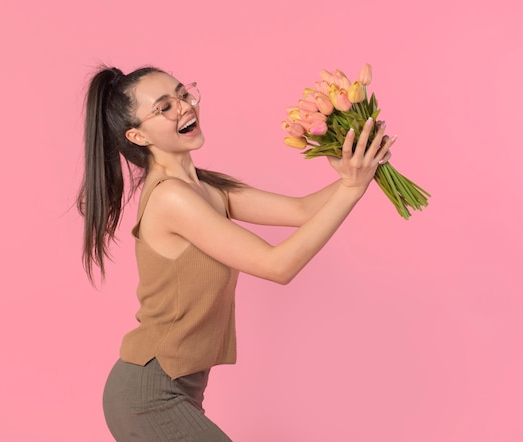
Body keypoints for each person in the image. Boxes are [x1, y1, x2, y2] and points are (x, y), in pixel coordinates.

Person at [78, 65, 394, 441]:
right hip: (150, 392)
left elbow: (301, 211)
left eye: (182, 94)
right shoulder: (172, 198)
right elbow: (278, 265)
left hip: (180, 389)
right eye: (163, 107)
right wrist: (352, 189)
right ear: (137, 135)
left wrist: (358, 171)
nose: (183, 107)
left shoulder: (206, 187)